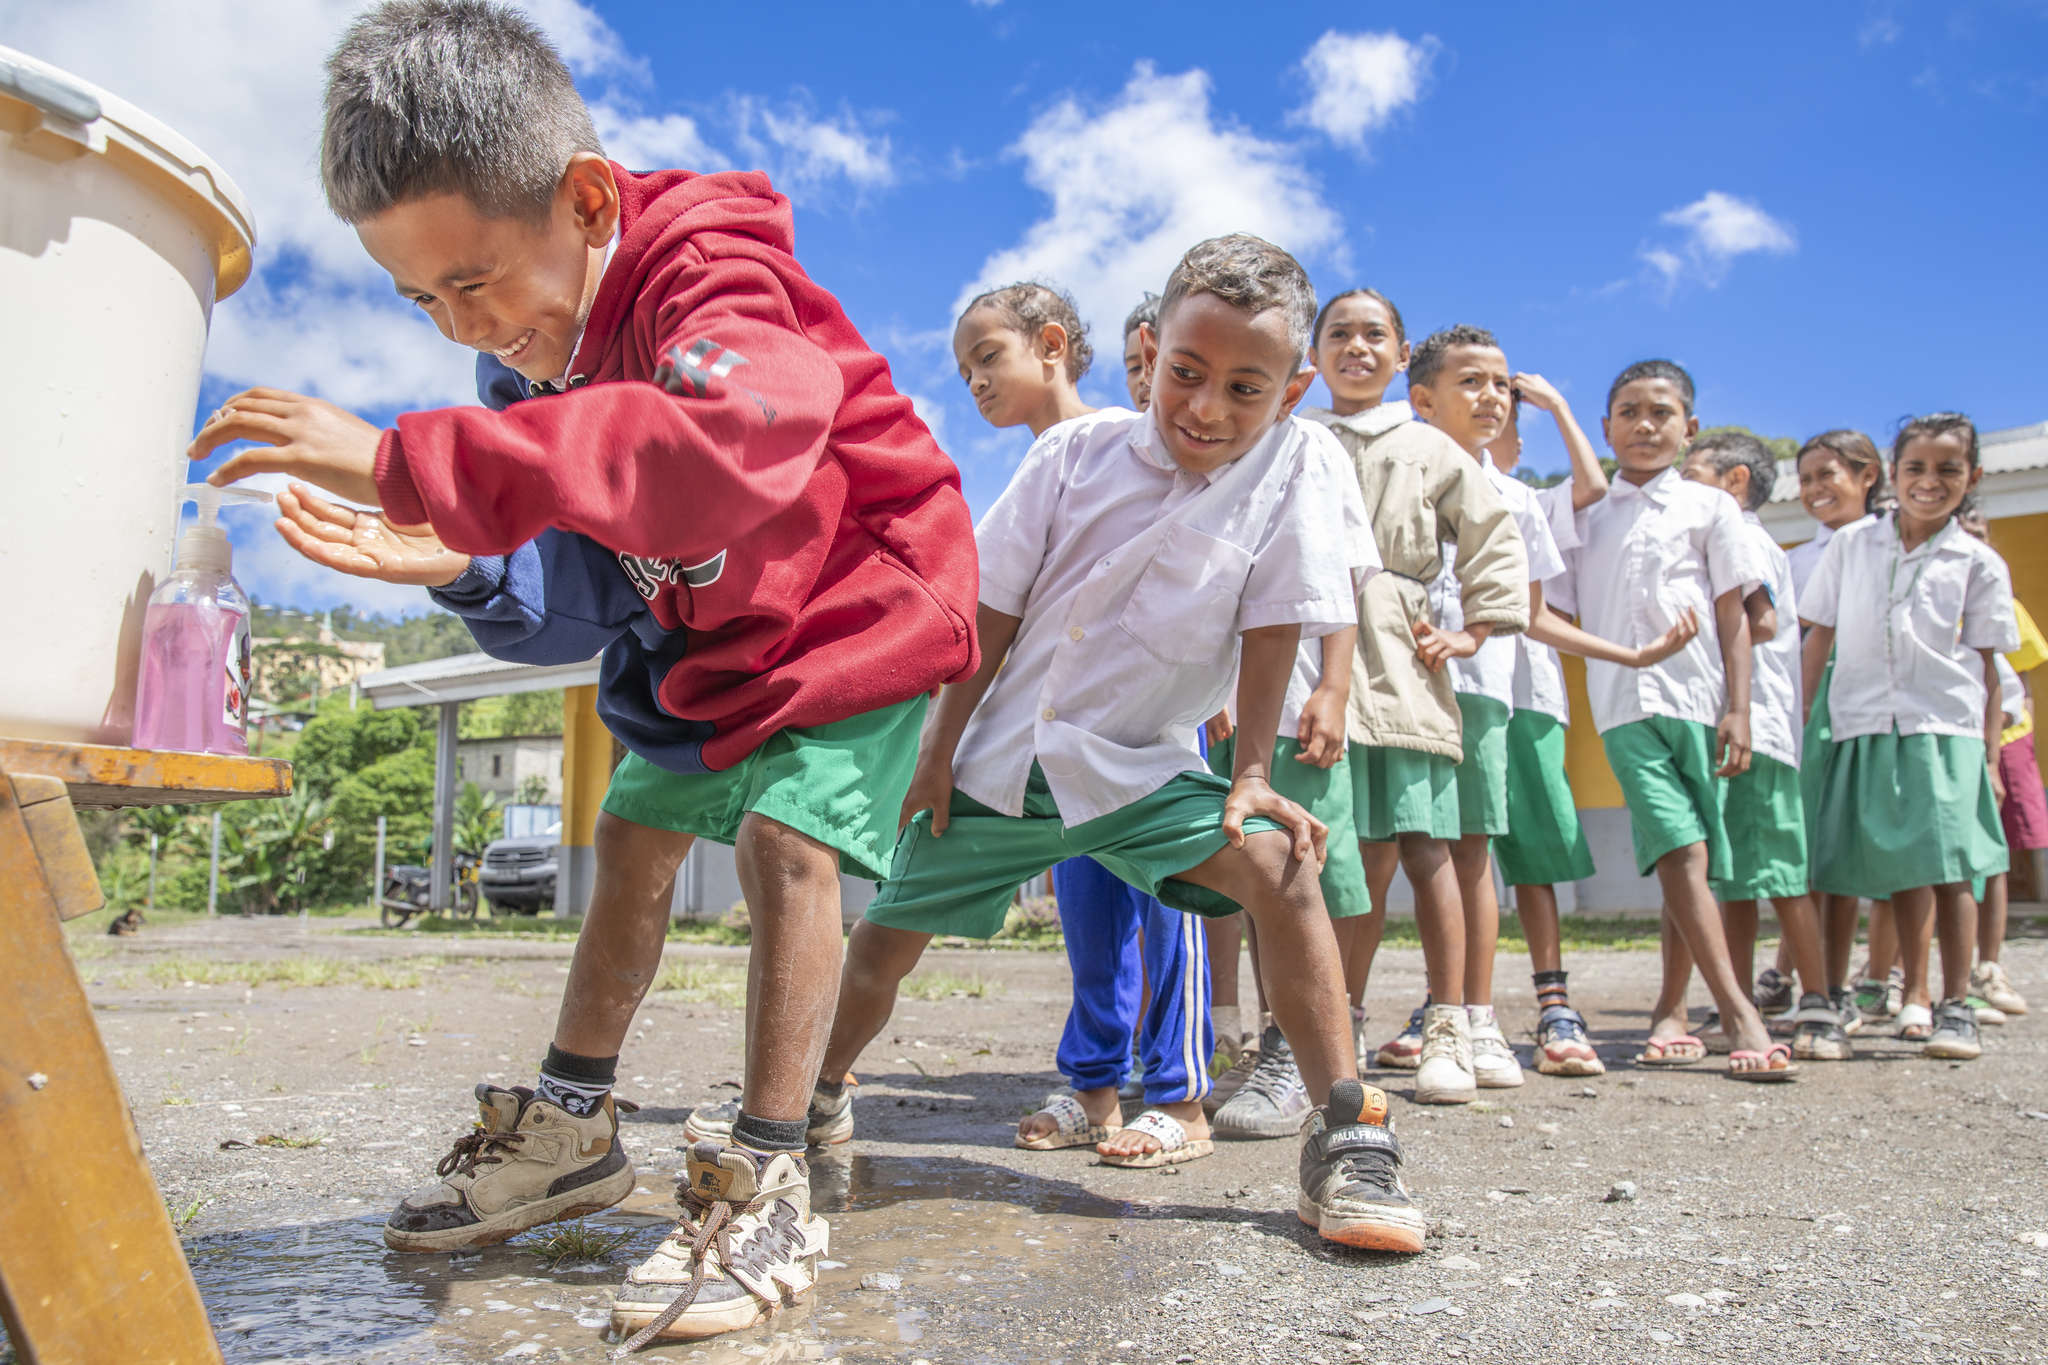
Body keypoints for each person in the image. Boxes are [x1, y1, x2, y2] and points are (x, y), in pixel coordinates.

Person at [189, 2, 980, 1346]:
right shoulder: (524, 378)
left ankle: (770, 1169)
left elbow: (726, 439)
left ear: (589, 198)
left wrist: (403, 463)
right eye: (421, 299)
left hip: (863, 605)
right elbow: (577, 596)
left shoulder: (710, 270)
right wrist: (447, 564)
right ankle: (572, 1125)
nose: (460, 329)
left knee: (790, 842)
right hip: (706, 634)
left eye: (477, 279)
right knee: (629, 838)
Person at [815, 235, 1426, 1250]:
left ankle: (1346, 1135)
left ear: (1292, 386)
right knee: (882, 940)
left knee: (1277, 865)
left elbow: (1277, 621)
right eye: (1185, 374)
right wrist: (935, 749)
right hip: (1003, 762)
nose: (1205, 409)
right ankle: (818, 1092)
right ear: (1153, 347)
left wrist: (1249, 778)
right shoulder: (1073, 455)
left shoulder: (1297, 464)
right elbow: (994, 613)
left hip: (1135, 767)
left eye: (1244, 386)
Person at [947, 281, 1217, 1162]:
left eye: (988, 358)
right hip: (1052, 737)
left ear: (1051, 344)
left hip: (1144, 729)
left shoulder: (1122, 446)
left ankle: (1179, 1093)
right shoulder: (1046, 461)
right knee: (1089, 909)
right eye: (965, 369)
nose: (975, 381)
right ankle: (1094, 1084)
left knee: (1163, 900)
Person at [1402, 326, 1698, 1099]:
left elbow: (1527, 612)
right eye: (1475, 382)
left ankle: (1475, 1016)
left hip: (1488, 688)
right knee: (1398, 852)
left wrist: (1627, 654)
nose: (1493, 397)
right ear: (1422, 398)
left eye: (1503, 385)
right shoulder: (1393, 470)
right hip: (1398, 690)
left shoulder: (1519, 500)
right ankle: (1407, 1017)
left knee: (1475, 850)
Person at [1299, 293, 1530, 1104]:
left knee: (1428, 843)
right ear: (1313, 352)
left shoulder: (1428, 443)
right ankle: (1343, 1023)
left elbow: (1492, 529)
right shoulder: (1293, 437)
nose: (1356, 347)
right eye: (1338, 334)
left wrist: (1475, 630)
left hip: (1401, 656)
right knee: (1343, 854)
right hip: (1311, 655)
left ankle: (1449, 1025)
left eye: (1375, 335)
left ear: (1402, 358)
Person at [1550, 360, 1789, 1080]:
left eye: (1661, 412)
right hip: (1624, 705)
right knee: (1682, 851)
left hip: (1701, 700)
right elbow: (1555, 611)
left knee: (1691, 860)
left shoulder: (1711, 508)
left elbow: (1736, 616)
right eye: (1628, 411)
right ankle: (1740, 1010)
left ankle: (1670, 1008)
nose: (1645, 425)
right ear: (1605, 428)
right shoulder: (1580, 512)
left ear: (1689, 428)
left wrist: (1740, 709)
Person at [1802, 412, 2016, 1063]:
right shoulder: (1851, 546)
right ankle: (1830, 999)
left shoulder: (1978, 561)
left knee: (1948, 865)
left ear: (1971, 477)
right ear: (1891, 474)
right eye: (1916, 467)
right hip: (1857, 722)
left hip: (1941, 727)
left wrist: (1988, 751)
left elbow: (1987, 666)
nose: (1930, 481)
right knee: (1838, 863)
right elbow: (1820, 636)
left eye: (1948, 469)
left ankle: (1956, 1005)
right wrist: (1801, 722)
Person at [1678, 432, 1847, 1060]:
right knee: (1740, 880)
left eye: (1691, 473)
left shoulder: (1739, 534)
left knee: (1779, 873)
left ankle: (1820, 1002)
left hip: (1758, 731)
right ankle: (1740, 1001)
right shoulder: (1735, 534)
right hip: (1738, 724)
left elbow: (1763, 621)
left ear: (1735, 481)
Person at [1483, 385, 1609, 1076]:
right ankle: (1451, 1003)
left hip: (1526, 693)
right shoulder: (1422, 475)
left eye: (1509, 412)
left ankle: (1554, 1001)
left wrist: (1559, 406)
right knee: (1450, 852)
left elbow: (1589, 485)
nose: (1497, 418)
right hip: (1455, 691)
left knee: (1533, 854)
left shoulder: (1528, 498)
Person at [1784, 431, 1890, 1024]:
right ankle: (1816, 983)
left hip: (1871, 702)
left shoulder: (1889, 543)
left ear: (1868, 474)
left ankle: (1869, 979)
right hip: (1814, 704)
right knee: (1814, 849)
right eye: (1806, 479)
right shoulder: (1798, 558)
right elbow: (1798, 641)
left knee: (1853, 846)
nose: (1815, 489)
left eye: (1828, 474)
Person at [1978, 595, 2044, 1018]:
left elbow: (2016, 690)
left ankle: (1987, 966)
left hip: (1991, 741)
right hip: (1934, 741)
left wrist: (1992, 759)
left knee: (1992, 853)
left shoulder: (2001, 603)